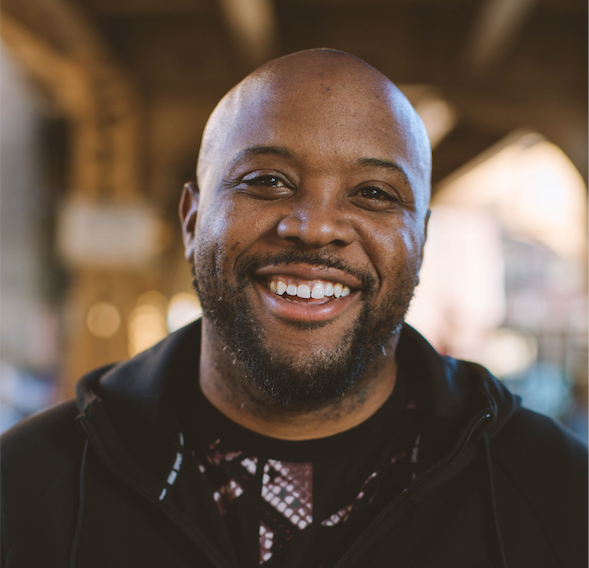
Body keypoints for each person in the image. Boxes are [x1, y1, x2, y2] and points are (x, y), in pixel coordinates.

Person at [2, 49, 586, 568]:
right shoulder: (26, 487)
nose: (315, 228)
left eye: (375, 193)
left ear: (421, 241)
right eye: (267, 181)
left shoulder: (558, 494)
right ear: (191, 221)